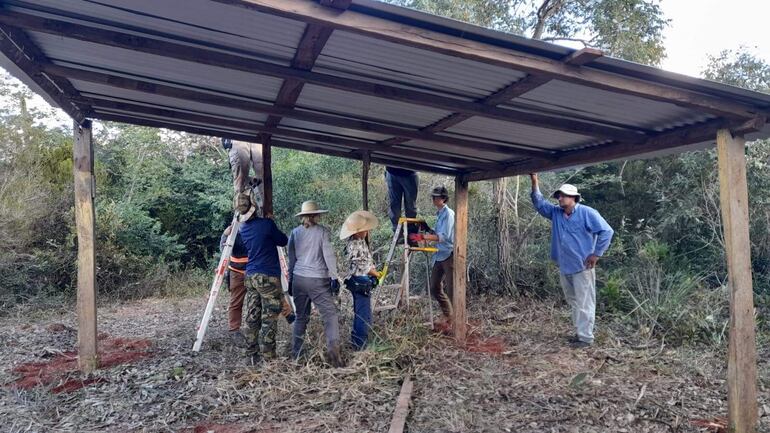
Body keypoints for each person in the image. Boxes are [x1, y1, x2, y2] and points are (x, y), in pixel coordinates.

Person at [529, 173, 614, 349]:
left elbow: (606, 231)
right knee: (573, 301)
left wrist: (596, 254)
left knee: (585, 302)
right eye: (559, 195)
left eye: (564, 195)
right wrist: (534, 181)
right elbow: (539, 203)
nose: (560, 198)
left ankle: (585, 338)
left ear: (574, 198)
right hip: (564, 265)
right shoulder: (556, 213)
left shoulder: (587, 213)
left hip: (583, 266)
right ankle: (579, 333)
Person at [235, 186, 289, 365]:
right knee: (269, 317)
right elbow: (283, 240)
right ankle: (269, 357)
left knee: (252, 315)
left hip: (250, 276)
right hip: (268, 276)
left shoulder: (243, 229)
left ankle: (251, 353)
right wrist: (271, 222)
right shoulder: (266, 225)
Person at [287, 200, 344, 367]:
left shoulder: (295, 233)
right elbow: (329, 256)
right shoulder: (323, 232)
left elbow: (292, 259)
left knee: (301, 317)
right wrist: (334, 277)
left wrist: (291, 280)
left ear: (303, 216)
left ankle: (296, 355)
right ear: (316, 215)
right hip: (318, 279)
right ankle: (334, 356)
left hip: (298, 278)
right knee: (330, 316)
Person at [408, 186, 455, 324]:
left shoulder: (449, 214)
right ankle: (448, 315)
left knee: (452, 289)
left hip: (449, 253)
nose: (433, 199)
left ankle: (458, 320)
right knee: (434, 286)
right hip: (439, 253)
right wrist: (428, 229)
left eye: (436, 197)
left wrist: (422, 237)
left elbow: (444, 237)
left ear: (443, 199)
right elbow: (437, 233)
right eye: (433, 196)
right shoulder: (439, 213)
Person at [340, 210, 381, 350]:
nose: (367, 232)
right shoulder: (355, 245)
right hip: (359, 280)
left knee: (364, 312)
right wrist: (376, 274)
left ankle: (361, 342)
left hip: (361, 279)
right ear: (357, 232)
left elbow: (367, 261)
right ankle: (359, 345)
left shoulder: (360, 242)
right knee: (362, 315)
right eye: (364, 230)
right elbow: (362, 265)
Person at [385, 167, 418, 233]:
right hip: (392, 171)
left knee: (410, 206)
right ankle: (398, 233)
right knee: (394, 206)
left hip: (409, 172)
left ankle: (411, 233)